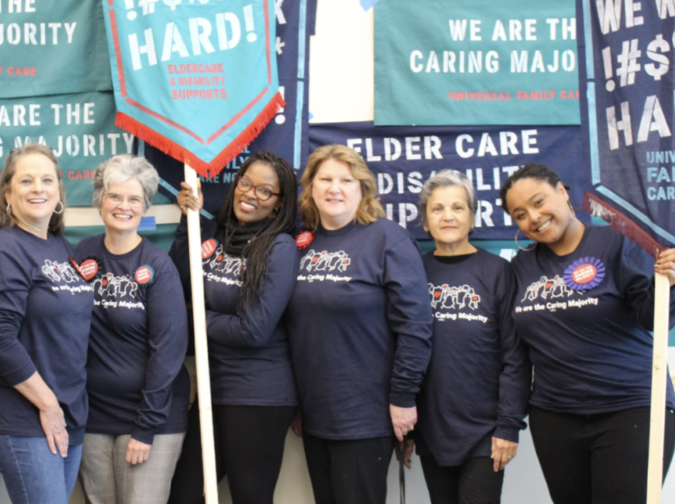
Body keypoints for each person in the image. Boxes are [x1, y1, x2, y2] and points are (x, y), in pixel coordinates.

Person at [499, 162, 675, 504]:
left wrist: (668, 284)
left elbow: (655, 320)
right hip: (555, 418)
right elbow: (517, 355)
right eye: (520, 214)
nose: (533, 217)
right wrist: (508, 421)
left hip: (630, 409)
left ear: (563, 192)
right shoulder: (519, 269)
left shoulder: (618, 241)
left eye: (539, 202)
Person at [287, 144, 432, 504]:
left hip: (366, 414)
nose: (334, 188)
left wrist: (403, 397)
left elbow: (415, 327)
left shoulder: (387, 238)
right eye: (325, 179)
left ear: (362, 188)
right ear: (311, 187)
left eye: (346, 180)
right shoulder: (300, 244)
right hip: (315, 413)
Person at [167, 150, 300, 504]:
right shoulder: (216, 233)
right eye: (246, 183)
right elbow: (175, 285)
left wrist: (196, 318)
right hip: (212, 389)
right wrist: (187, 222)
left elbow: (253, 331)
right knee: (184, 495)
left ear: (278, 204)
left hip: (259, 394)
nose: (250, 194)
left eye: (265, 191)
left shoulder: (280, 248)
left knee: (249, 497)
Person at [0, 143, 92, 504]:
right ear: (7, 192)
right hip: (23, 415)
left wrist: (63, 407)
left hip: (69, 411)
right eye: (26, 180)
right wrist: (48, 405)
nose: (38, 188)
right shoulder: (1, 249)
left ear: (59, 192)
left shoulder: (61, 247)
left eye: (47, 179)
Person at [75, 155, 190, 504]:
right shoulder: (81, 254)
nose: (123, 206)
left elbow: (168, 352)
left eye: (134, 199)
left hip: (149, 417)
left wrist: (146, 425)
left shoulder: (158, 266)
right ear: (100, 200)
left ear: (145, 206)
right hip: (92, 415)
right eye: (115, 196)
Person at [415, 170, 530, 504]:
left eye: (458, 207)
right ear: (424, 221)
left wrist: (509, 425)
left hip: (486, 431)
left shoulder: (498, 271)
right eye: (437, 209)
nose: (448, 216)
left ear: (473, 217)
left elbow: (515, 356)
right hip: (431, 428)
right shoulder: (412, 271)